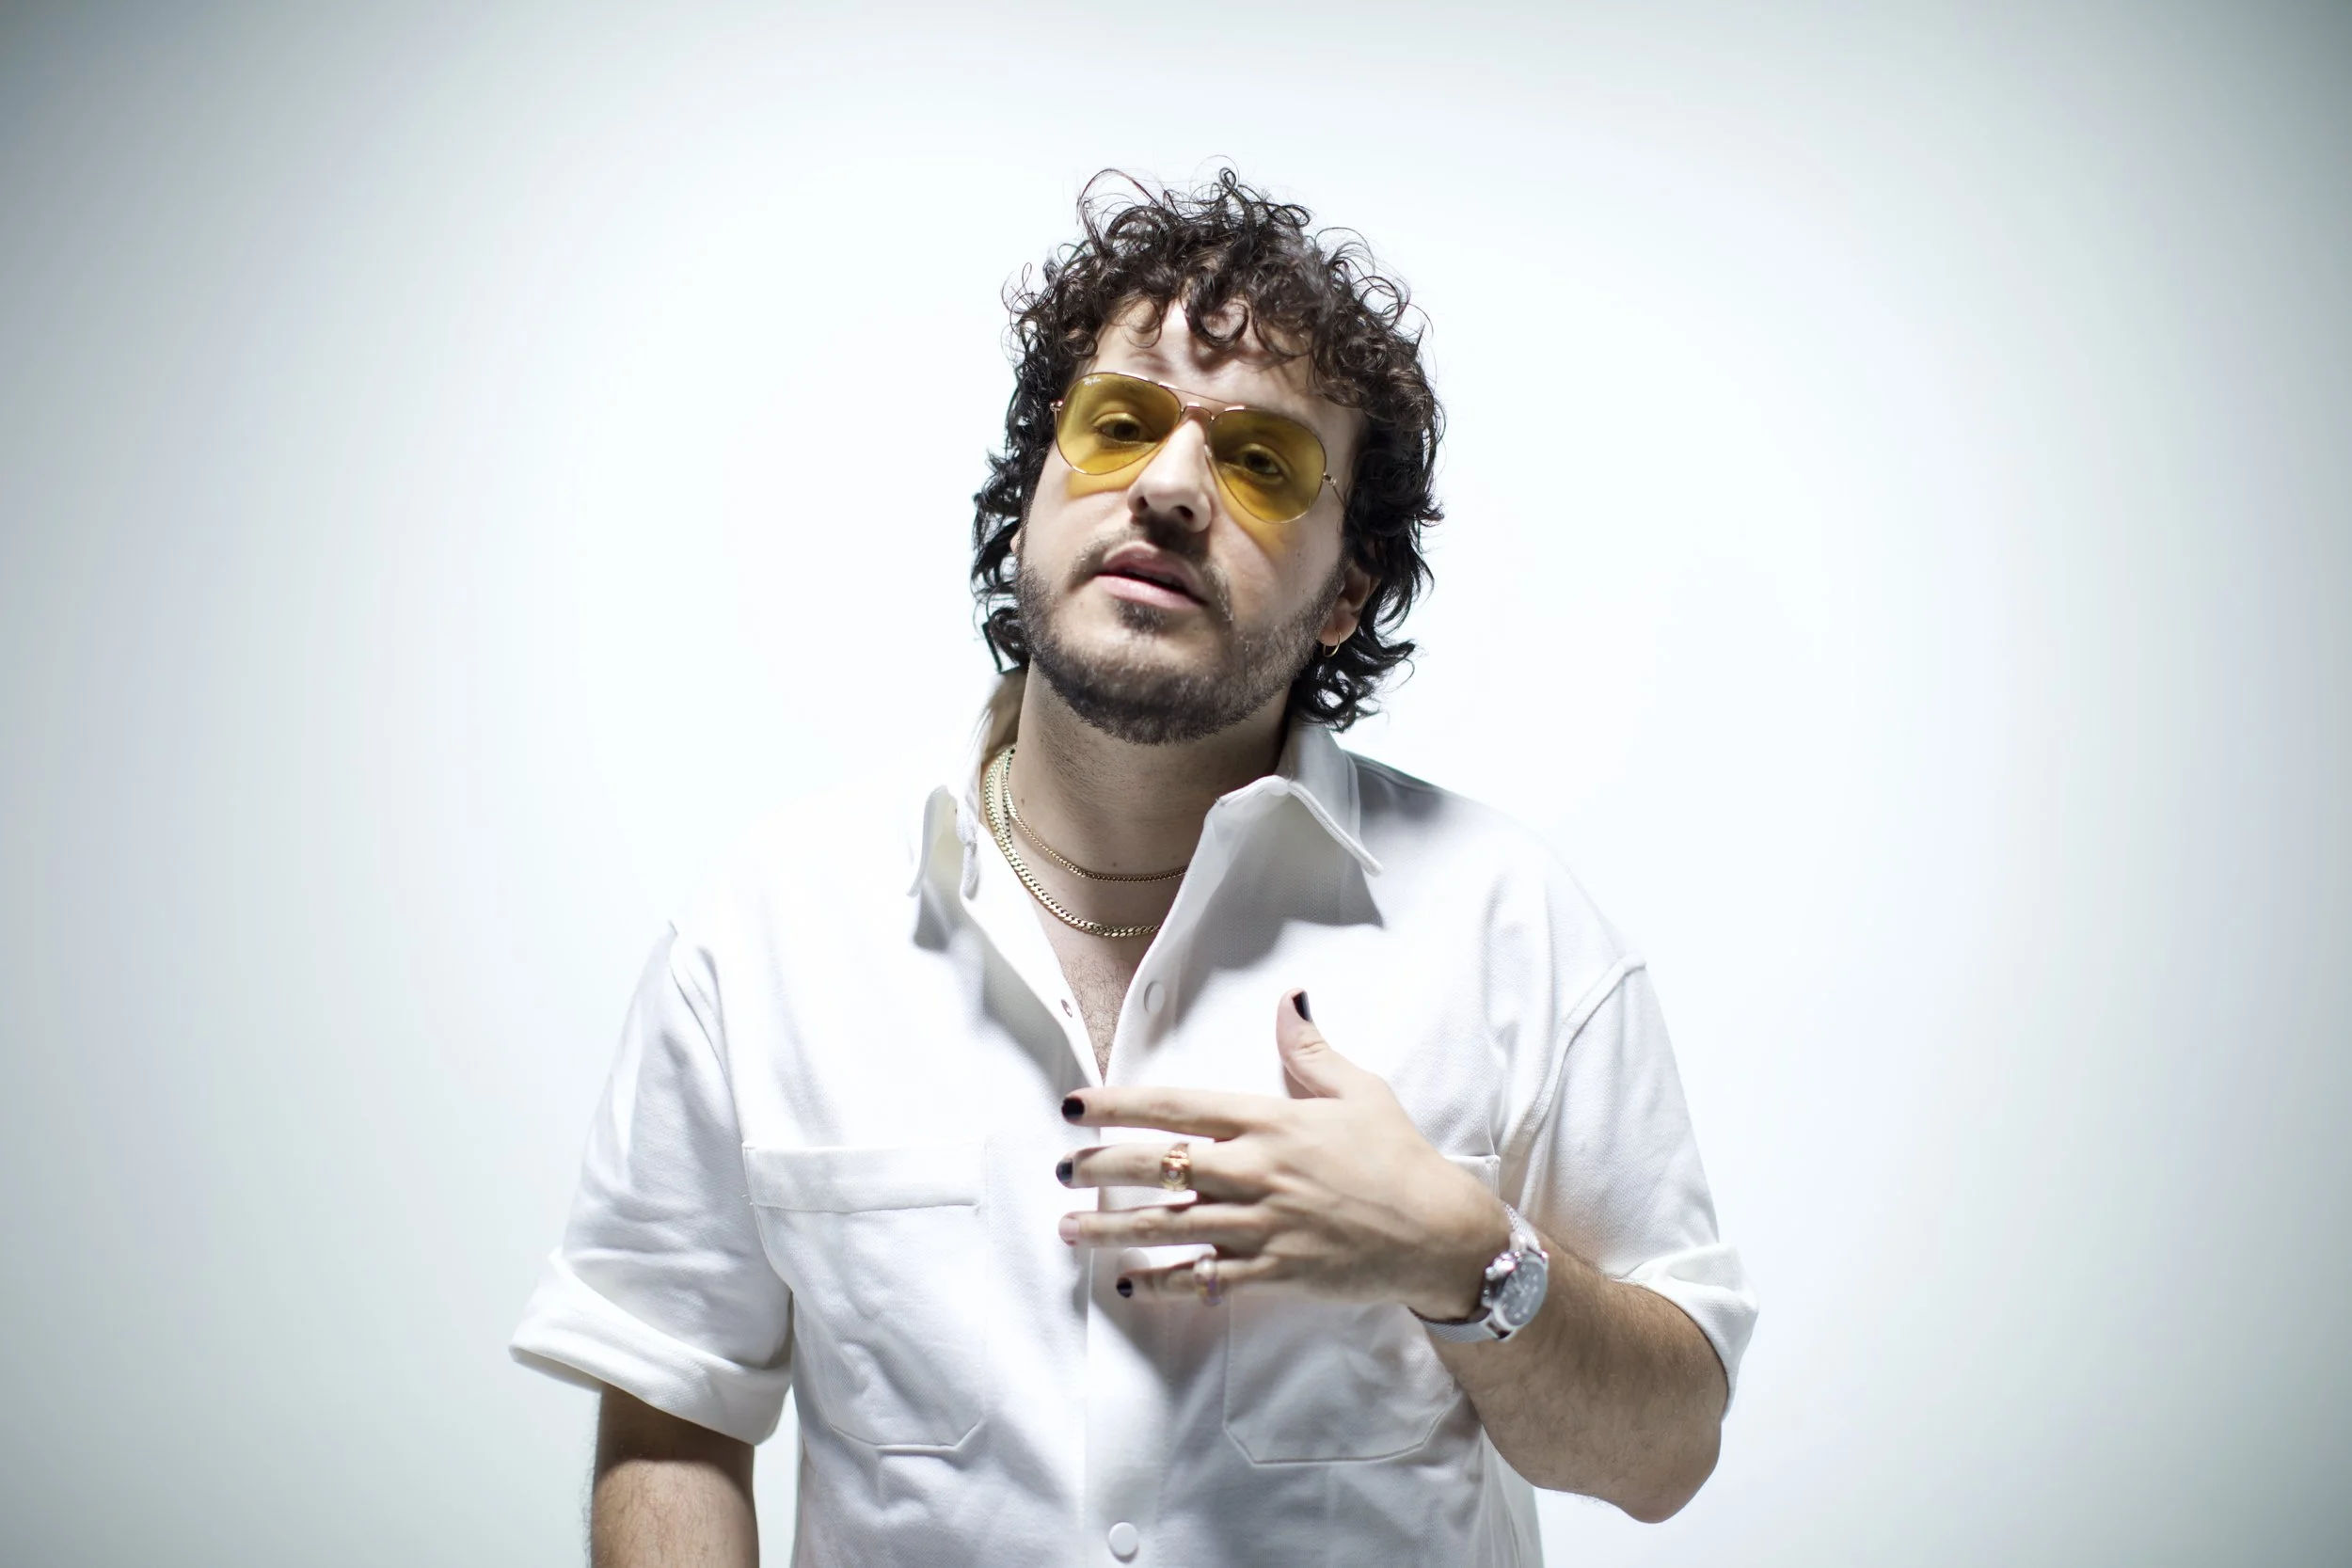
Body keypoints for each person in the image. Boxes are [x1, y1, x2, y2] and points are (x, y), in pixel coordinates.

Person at [511, 169, 1756, 1567]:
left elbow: (1666, 1452)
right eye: (1119, 425)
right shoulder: (772, 930)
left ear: (1348, 588)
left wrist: (1461, 1254)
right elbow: (678, 1412)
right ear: (1039, 480)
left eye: (1261, 462)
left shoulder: (1509, 927)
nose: (1168, 486)